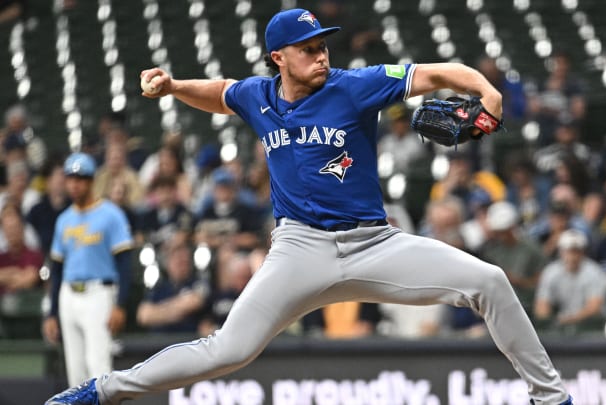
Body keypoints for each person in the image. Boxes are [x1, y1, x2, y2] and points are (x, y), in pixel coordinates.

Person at [46, 8, 571, 405]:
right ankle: (103, 391)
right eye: (307, 48)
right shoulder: (260, 96)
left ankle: (552, 398)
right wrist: (175, 86)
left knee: (490, 282)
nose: (321, 55)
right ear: (279, 57)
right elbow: (220, 92)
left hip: (373, 243)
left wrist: (486, 91)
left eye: (322, 45)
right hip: (299, 249)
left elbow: (436, 74)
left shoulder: (354, 86)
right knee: (229, 350)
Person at [42, 153, 134, 388]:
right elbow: (57, 267)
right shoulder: (64, 219)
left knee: (98, 367)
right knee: (75, 372)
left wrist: (120, 305)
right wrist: (52, 312)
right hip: (68, 294)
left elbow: (125, 263)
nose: (75, 184)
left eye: (81, 178)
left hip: (99, 293)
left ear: (92, 181)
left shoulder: (111, 214)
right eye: (71, 178)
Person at [534, 229, 606, 328]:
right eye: (568, 251)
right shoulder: (551, 272)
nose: (572, 256)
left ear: (583, 252)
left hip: (591, 326)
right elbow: (541, 305)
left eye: (576, 251)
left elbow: (594, 307)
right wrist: (547, 323)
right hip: (561, 325)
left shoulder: (594, 272)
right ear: (561, 252)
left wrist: (568, 320)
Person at [136, 239, 208, 334]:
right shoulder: (160, 287)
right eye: (176, 260)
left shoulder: (197, 283)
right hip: (158, 345)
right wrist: (177, 310)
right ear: (168, 263)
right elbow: (143, 316)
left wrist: (157, 312)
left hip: (186, 342)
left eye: (184, 261)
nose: (180, 264)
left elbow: (194, 303)